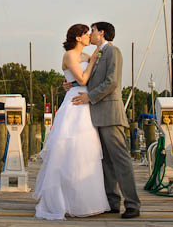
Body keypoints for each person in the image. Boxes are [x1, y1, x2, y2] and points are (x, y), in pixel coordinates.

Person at [33, 24, 111, 220]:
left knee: (85, 149)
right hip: (76, 102)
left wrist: (79, 74)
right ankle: (62, 200)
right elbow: (83, 79)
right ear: (78, 37)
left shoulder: (84, 56)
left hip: (85, 101)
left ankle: (85, 200)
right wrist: (92, 61)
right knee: (68, 148)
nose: (88, 37)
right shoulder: (70, 55)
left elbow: (85, 79)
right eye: (86, 34)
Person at [70, 21, 141, 218]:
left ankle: (133, 204)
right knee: (106, 161)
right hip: (97, 116)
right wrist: (71, 84)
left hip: (110, 114)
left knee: (120, 159)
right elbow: (88, 79)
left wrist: (89, 97)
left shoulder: (113, 51)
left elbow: (112, 82)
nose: (90, 34)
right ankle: (112, 202)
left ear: (101, 33)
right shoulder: (98, 55)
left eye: (92, 31)